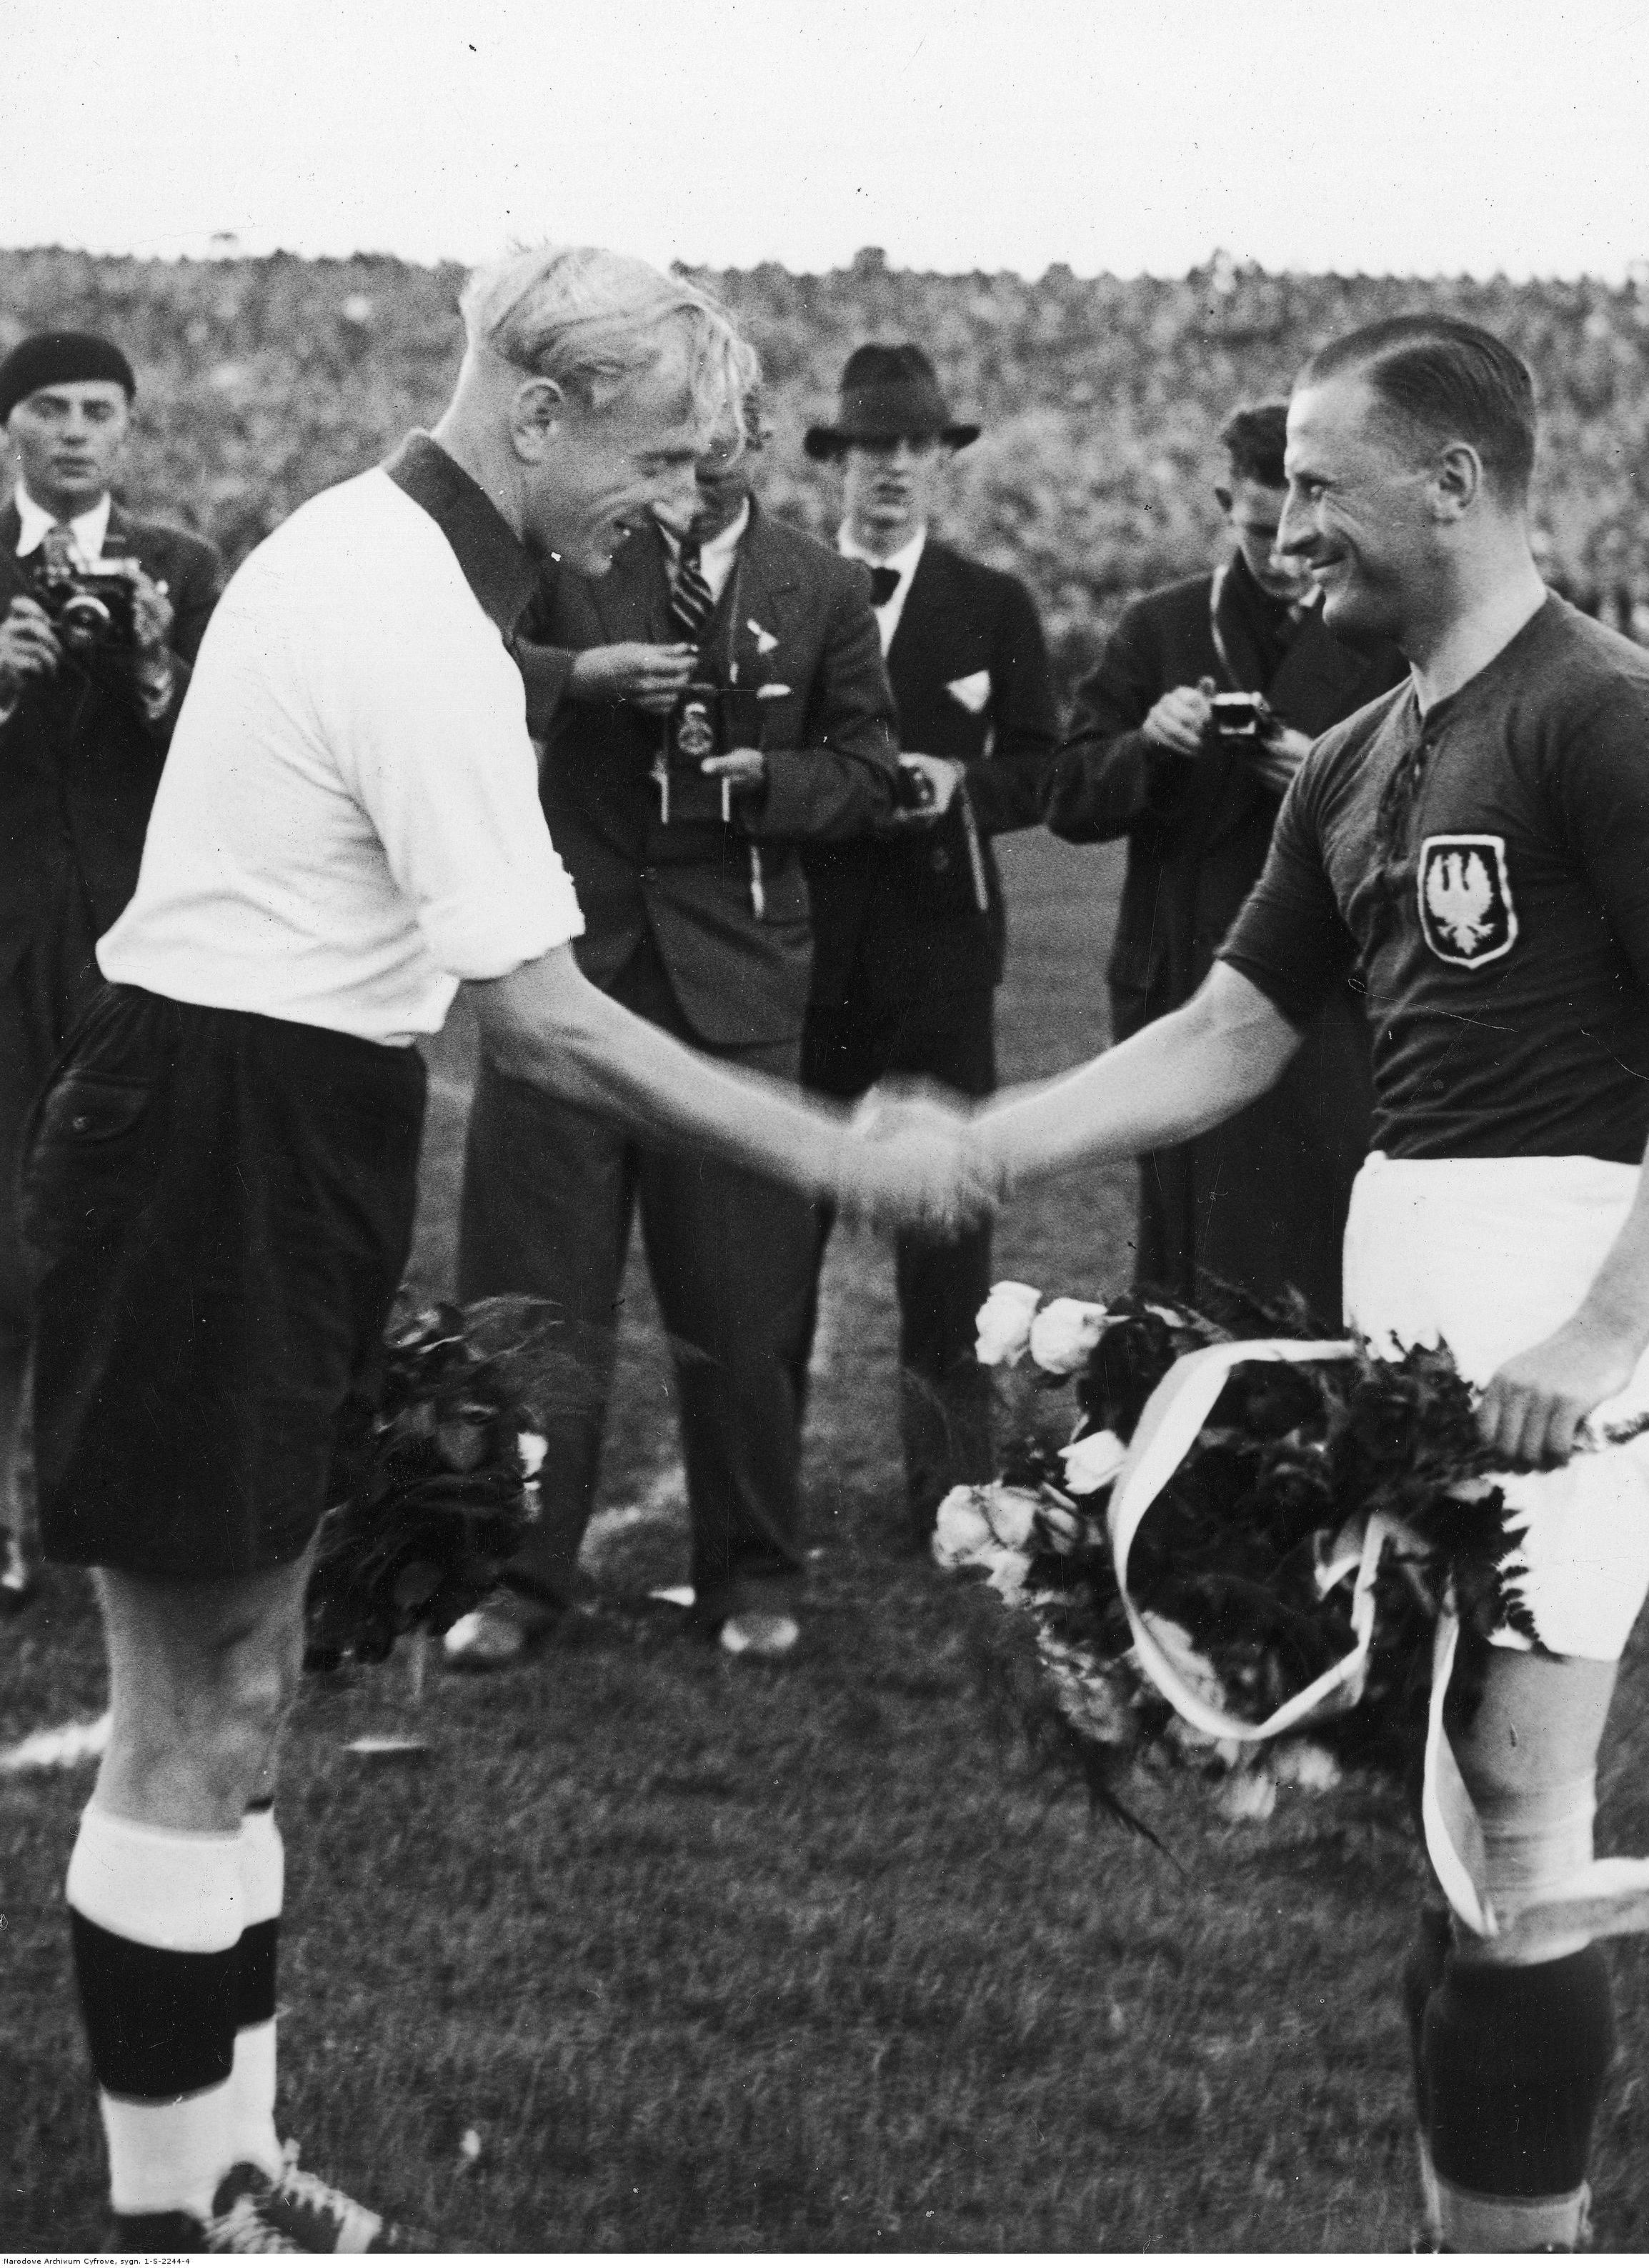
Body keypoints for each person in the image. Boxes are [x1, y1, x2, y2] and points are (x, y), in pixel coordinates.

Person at [23, 247, 991, 2254]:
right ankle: (170, 2210)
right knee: (189, 1707)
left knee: (246, 1687)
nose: (667, 505)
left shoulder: (408, 572)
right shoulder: (404, 609)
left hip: (281, 1125)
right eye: (651, 459)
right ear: (536, 415)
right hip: (220, 1143)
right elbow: (545, 1020)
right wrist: (831, 1147)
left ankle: (224, 2171)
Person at [968, 316, 1649, 2250]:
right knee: (1446, 1816)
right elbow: (1230, 1027)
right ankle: (1473, 2220)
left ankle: (1520, 2231)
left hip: (1569, 1281)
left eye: (1319, 491)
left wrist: (1597, 1330)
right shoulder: (1350, 750)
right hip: (1414, 1279)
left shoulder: (1599, 706)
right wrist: (992, 1137)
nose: (1286, 533)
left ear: (1451, 484)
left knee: (1511, 1809)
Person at [447, 391, 899, 1667]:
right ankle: (513, 1576)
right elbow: (462, 672)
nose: (703, 459)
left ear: (760, 440)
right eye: (681, 436)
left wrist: (778, 784)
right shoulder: (576, 556)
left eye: (726, 435)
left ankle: (752, 1569)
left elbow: (871, 769)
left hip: (735, 986)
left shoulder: (821, 584)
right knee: (532, 1292)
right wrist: (577, 680)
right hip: (569, 971)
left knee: (744, 1300)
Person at [1047, 400, 1405, 1327]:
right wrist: (1147, 747)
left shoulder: (1383, 636)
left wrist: (1331, 776)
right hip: (1180, 984)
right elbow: (1067, 798)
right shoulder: (1160, 626)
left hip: (1329, 1003)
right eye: (1256, 530)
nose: (1282, 555)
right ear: (1223, 503)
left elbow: (1444, 802)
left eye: (1301, 531)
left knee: (1321, 1263)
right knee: (1188, 1269)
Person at [799, 343, 1060, 1534]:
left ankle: (950, 1495)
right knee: (779, 1230)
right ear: (839, 461)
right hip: (805, 955)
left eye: (914, 446)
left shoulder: (993, 603)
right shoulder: (789, 591)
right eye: (873, 447)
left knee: (947, 1237)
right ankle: (758, 1506)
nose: (894, 468)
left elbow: (1043, 767)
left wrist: (965, 785)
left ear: (941, 463)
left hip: (942, 957)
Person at [0, 330, 222, 1609]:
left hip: (135, 941)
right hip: (4, 934)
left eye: (99, 410)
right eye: (51, 408)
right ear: (12, 427)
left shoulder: (180, 567)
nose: (77, 432)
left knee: (133, 1230)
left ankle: (118, 1510)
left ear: (129, 428)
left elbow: (227, 753)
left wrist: (150, 668)